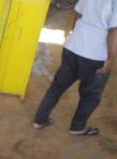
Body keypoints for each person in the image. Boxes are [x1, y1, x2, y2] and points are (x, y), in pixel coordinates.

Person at [33, 0, 117, 135]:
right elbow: (114, 30)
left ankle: (39, 120)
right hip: (95, 55)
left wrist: (73, 33)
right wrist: (111, 58)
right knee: (90, 96)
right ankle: (77, 127)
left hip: (72, 47)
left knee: (57, 86)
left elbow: (78, 13)